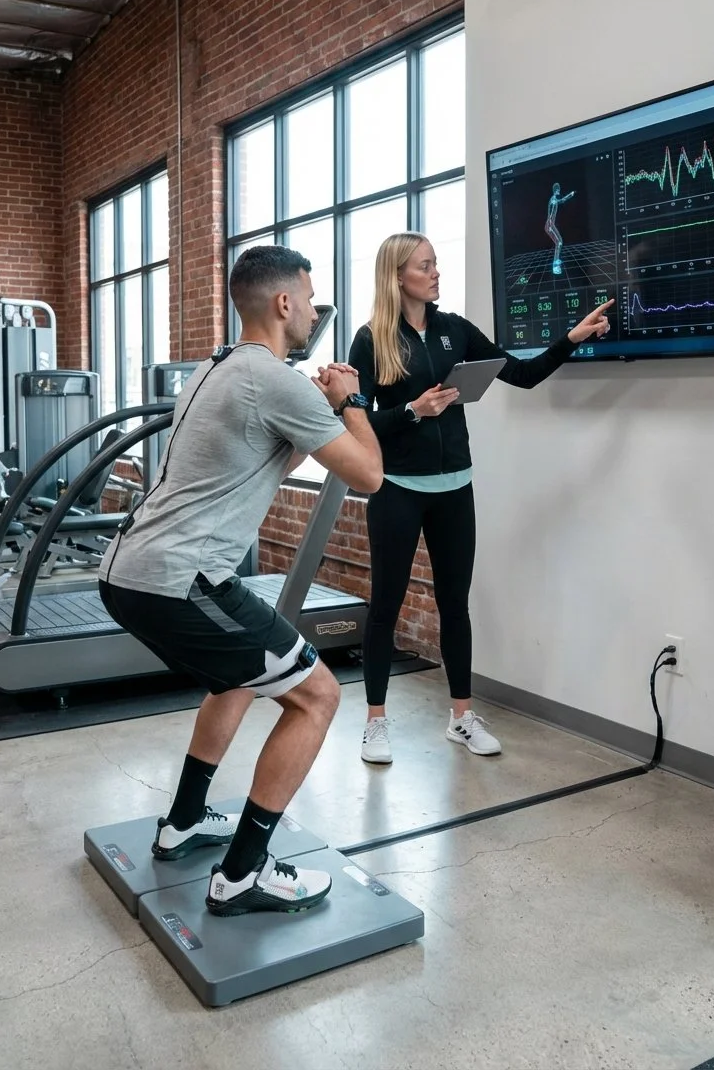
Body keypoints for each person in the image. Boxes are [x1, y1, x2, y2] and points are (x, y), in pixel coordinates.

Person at [98, 245, 382, 915]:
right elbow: (370, 474)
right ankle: (242, 875)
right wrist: (352, 401)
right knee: (316, 697)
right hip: (179, 579)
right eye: (307, 298)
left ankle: (183, 822)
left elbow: (262, 462)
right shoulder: (277, 381)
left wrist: (314, 420)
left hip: (129, 571)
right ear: (284, 303)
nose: (312, 310)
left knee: (237, 677)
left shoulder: (218, 365)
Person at [348, 231, 611, 764]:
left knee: (455, 605)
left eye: (436, 263)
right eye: (425, 266)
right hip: (398, 490)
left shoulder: (455, 330)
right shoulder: (371, 340)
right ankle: (375, 722)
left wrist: (571, 339)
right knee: (385, 607)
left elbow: (523, 375)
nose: (436, 273)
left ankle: (461, 717)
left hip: (455, 489)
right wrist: (413, 411)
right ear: (398, 276)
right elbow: (356, 422)